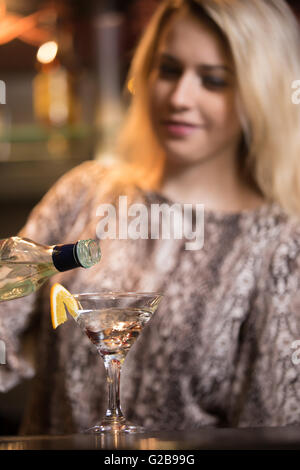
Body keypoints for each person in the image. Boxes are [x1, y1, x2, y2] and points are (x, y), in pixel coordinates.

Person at [1, 0, 300, 434]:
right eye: (169, 69)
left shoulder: (282, 244)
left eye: (214, 81)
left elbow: (276, 433)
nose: (180, 98)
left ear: (260, 92)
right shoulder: (83, 191)